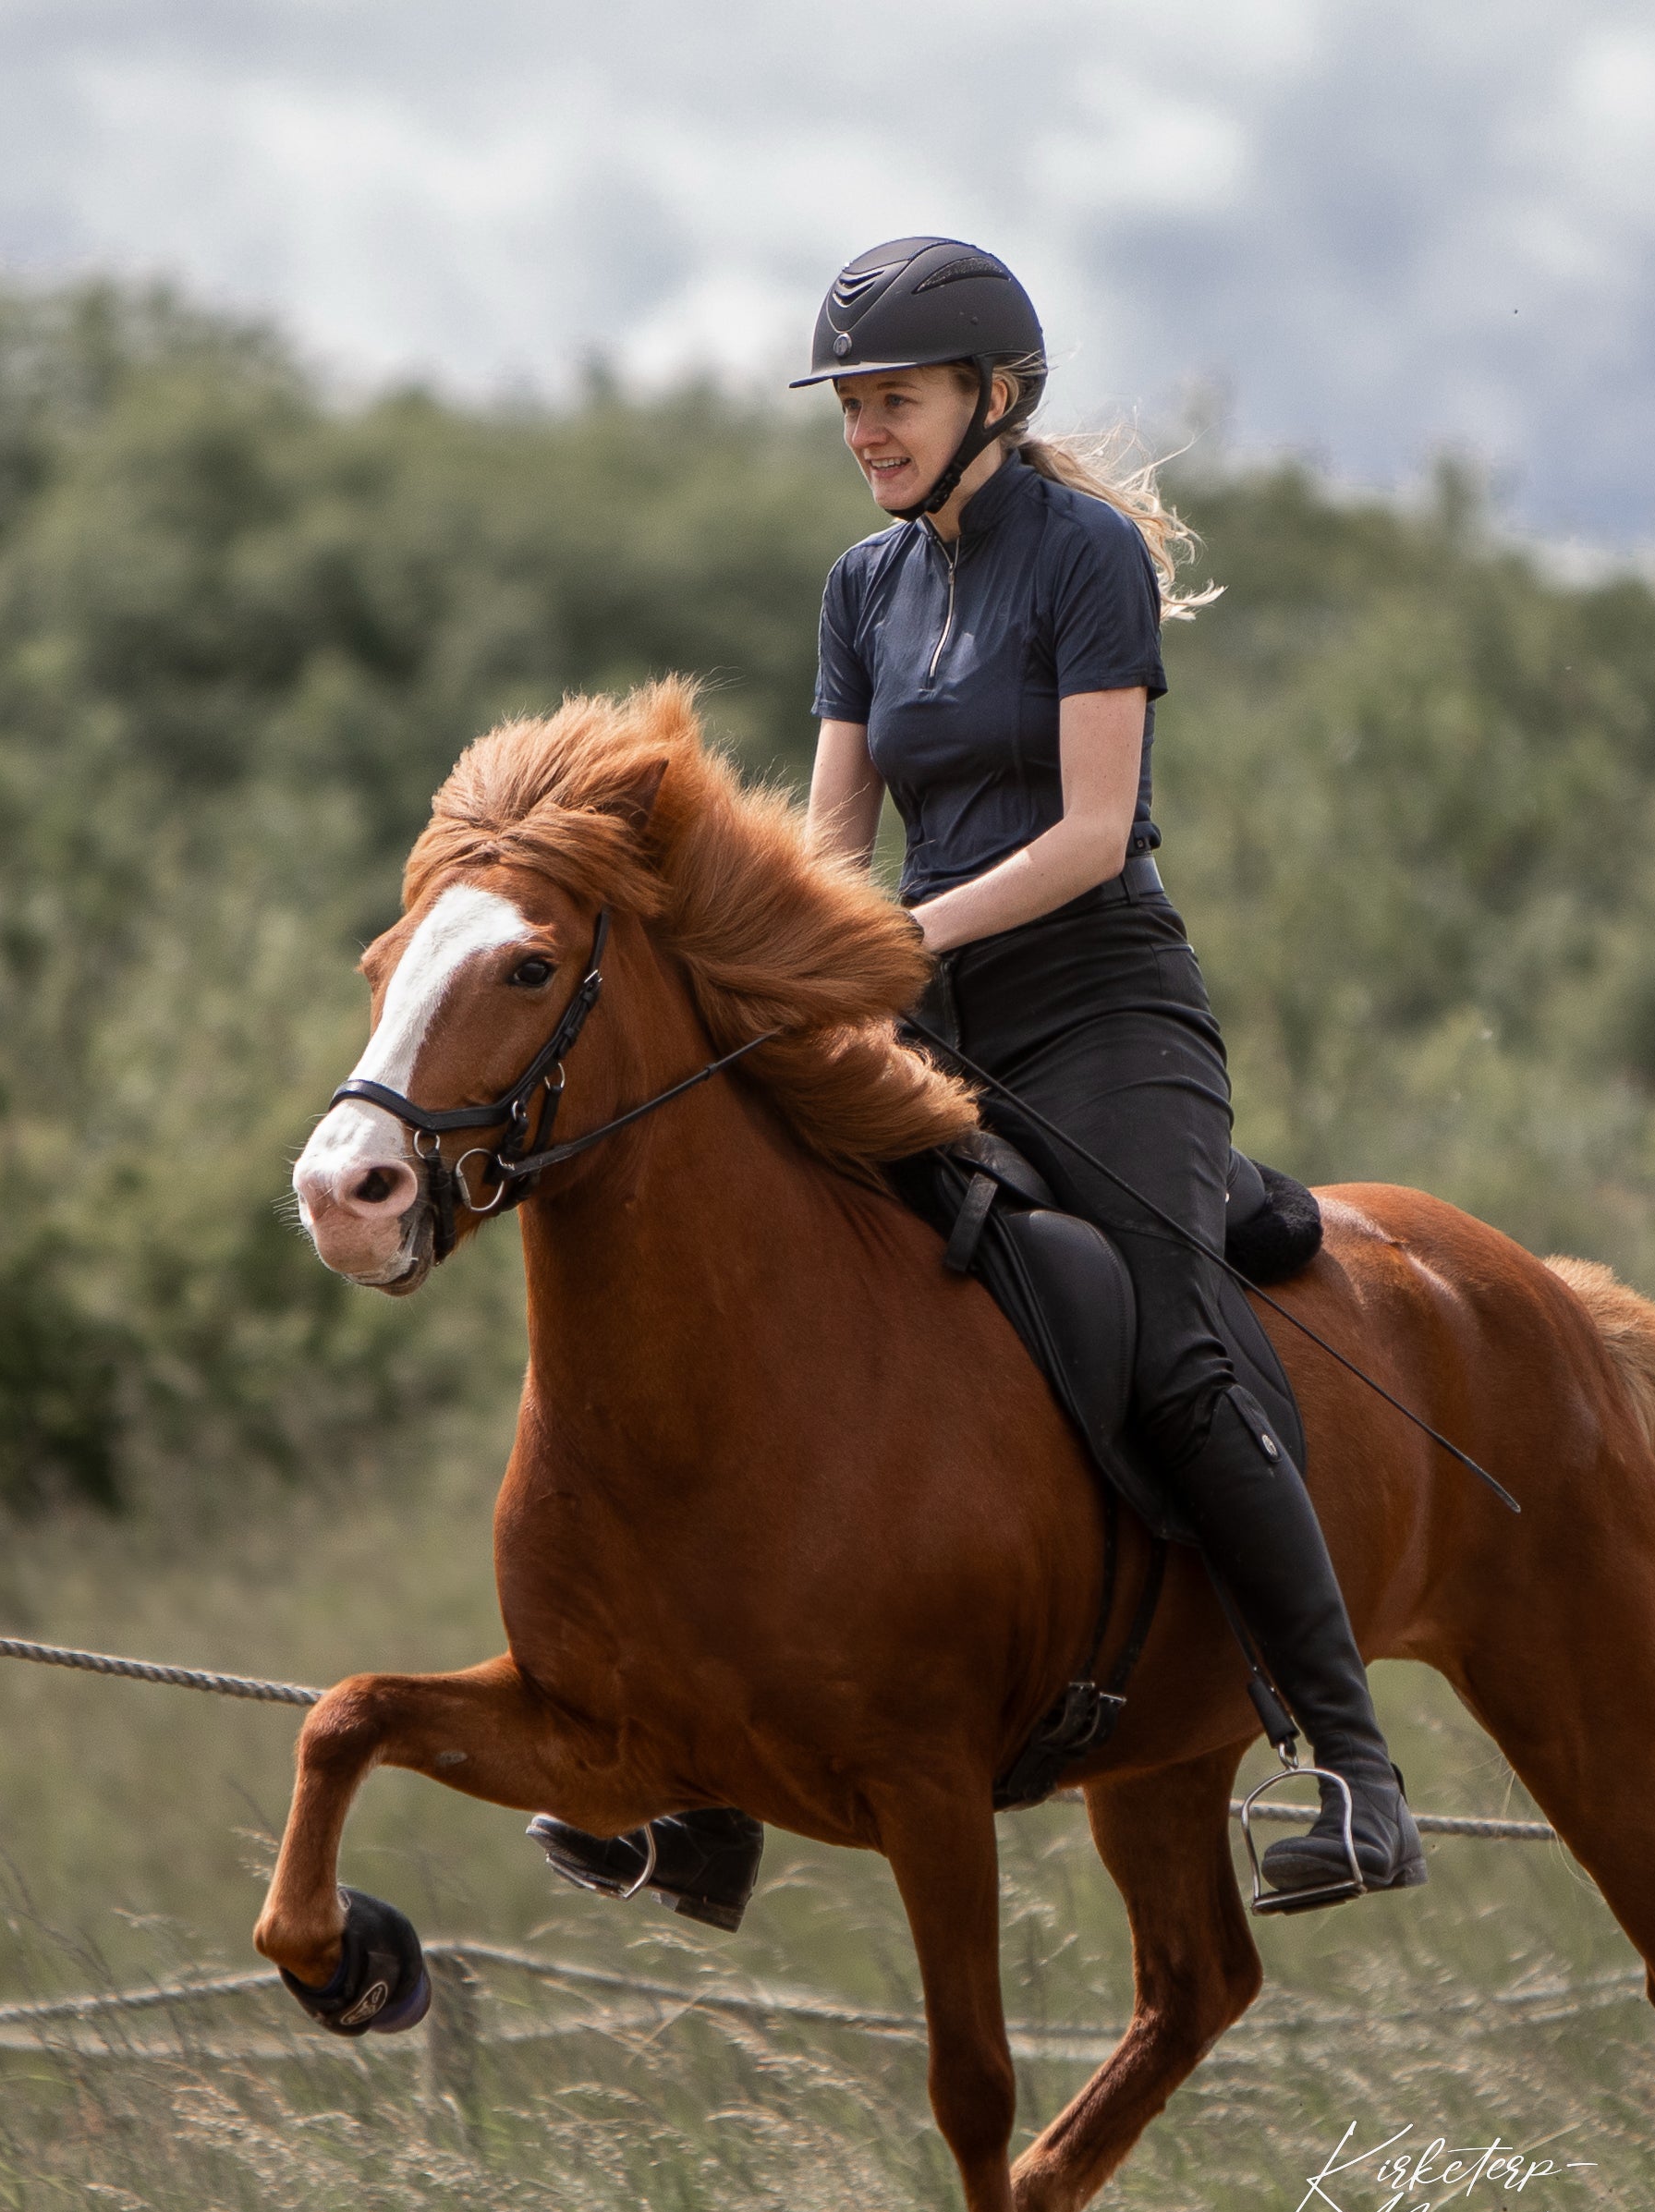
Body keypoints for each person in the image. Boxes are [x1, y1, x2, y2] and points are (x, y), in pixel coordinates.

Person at [529, 237, 1425, 1926]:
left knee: (1166, 1336)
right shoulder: (862, 588)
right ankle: (703, 1796)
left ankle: (1356, 1765)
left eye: (896, 400)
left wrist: (900, 940)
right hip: (931, 1017)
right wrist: (782, 975)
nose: (867, 430)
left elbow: (1092, 833)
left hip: (1102, 1004)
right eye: (853, 405)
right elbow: (831, 841)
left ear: (991, 400)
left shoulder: (1082, 554)